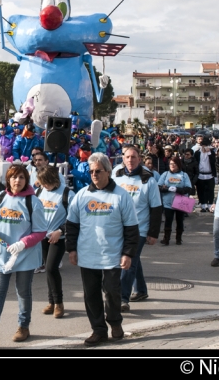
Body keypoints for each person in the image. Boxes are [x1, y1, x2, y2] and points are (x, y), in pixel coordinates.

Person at [65, 153, 139, 346]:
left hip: (113, 256)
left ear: (108, 171)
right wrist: (71, 249)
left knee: (113, 293)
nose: (94, 174)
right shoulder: (82, 195)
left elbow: (131, 228)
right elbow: (71, 224)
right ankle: (98, 330)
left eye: (98, 171)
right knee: (91, 295)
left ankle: (115, 322)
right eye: (91, 171)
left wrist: (128, 253)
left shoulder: (121, 196)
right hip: (87, 255)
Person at [0, 164, 46, 346]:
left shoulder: (33, 202)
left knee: (23, 292)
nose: (17, 181)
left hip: (24, 256)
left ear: (26, 180)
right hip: (2, 256)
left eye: (21, 177)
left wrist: (23, 243)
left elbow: (40, 232)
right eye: (14, 177)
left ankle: (23, 326)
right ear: (8, 179)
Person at [112, 145, 163, 312]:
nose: (130, 160)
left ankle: (122, 298)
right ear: (123, 158)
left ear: (139, 159)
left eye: (133, 157)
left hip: (139, 229)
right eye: (127, 157)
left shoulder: (149, 180)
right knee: (133, 259)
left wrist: (153, 233)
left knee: (128, 262)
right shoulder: (116, 175)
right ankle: (141, 290)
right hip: (119, 227)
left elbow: (156, 208)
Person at [35, 166, 74, 318]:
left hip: (58, 238)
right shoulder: (39, 192)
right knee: (47, 269)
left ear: (54, 179)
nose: (44, 185)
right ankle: (51, 302)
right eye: (42, 182)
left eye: (46, 182)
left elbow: (74, 219)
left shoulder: (67, 194)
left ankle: (59, 303)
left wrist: (61, 231)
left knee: (52, 268)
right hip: (43, 237)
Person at [157, 156, 193, 246]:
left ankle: (178, 238)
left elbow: (188, 188)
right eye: (171, 164)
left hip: (180, 202)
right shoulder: (165, 174)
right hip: (168, 202)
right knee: (168, 220)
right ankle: (166, 238)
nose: (172, 166)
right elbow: (159, 187)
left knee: (180, 220)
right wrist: (167, 189)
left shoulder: (184, 175)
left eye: (174, 164)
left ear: (178, 165)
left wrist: (177, 189)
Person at [194, 136, 217, 213]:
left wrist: (209, 153)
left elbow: (214, 162)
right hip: (200, 175)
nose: (205, 147)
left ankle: (210, 205)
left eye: (206, 146)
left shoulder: (211, 153)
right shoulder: (197, 153)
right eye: (204, 146)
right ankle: (203, 205)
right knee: (200, 191)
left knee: (210, 190)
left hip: (210, 175)